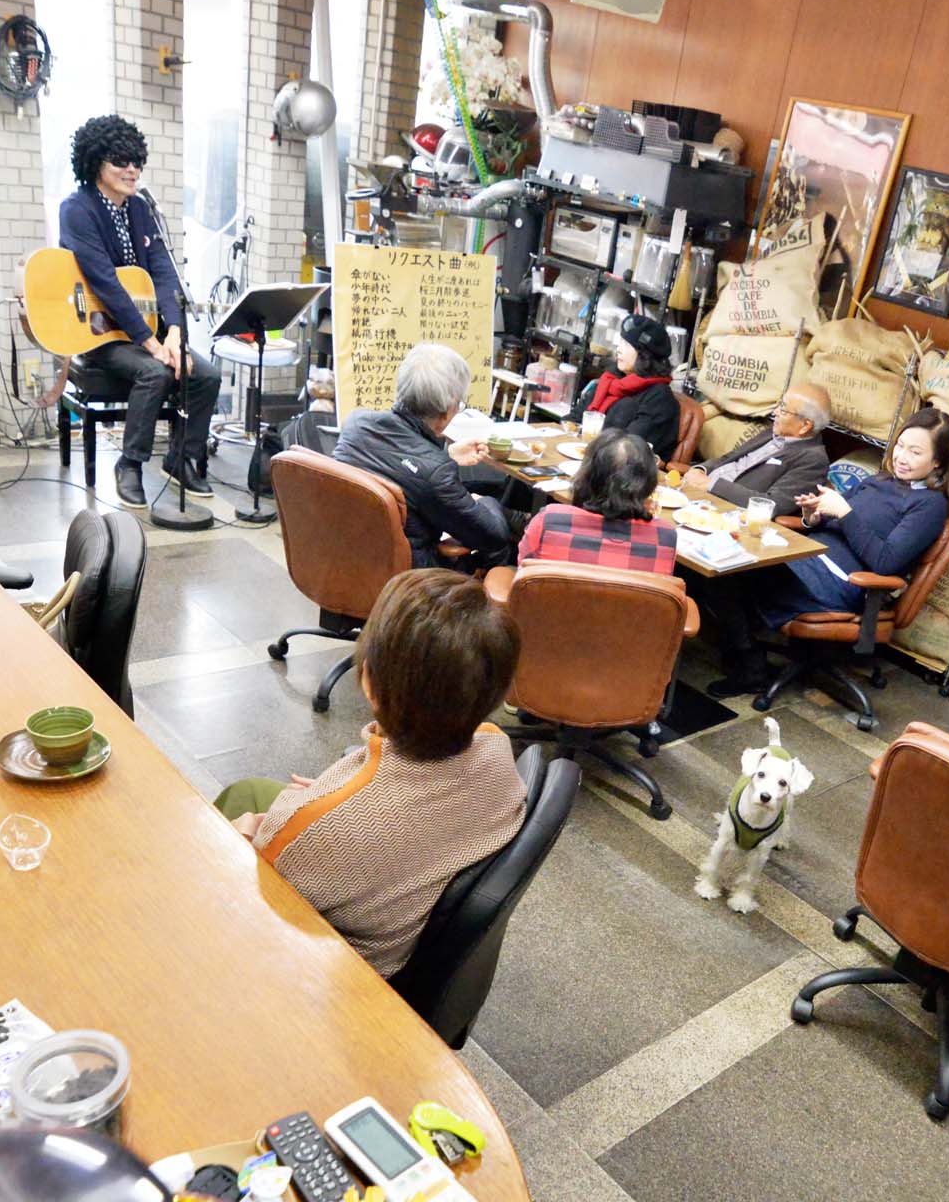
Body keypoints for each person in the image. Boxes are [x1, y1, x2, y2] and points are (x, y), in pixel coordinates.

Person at [211, 570, 526, 977]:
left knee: (235, 812)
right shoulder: (495, 745)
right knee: (254, 789)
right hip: (402, 881)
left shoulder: (314, 831)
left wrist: (242, 837)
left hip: (331, 974)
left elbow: (251, 893)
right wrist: (338, 799)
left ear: (370, 683)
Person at [705, 407, 949, 698]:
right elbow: (834, 517)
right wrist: (812, 516)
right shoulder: (879, 481)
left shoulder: (929, 505)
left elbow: (885, 562)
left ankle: (750, 668)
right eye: (900, 446)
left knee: (731, 570)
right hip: (809, 557)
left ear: (938, 462)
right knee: (725, 555)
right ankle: (740, 651)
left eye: (915, 452)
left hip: (841, 582)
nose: (901, 457)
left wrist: (845, 513)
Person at [59, 114, 222, 508]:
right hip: (99, 331)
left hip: (147, 327)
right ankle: (129, 464)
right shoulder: (77, 210)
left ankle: (181, 459)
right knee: (156, 371)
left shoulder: (140, 209)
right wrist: (151, 344)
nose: (131, 170)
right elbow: (106, 284)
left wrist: (174, 333)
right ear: (95, 163)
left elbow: (164, 273)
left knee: (206, 375)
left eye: (136, 161)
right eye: (120, 161)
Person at [335, 343, 527, 568]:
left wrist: (445, 456)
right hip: (411, 577)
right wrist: (484, 502)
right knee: (500, 547)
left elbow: (402, 464)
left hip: (343, 556)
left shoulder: (356, 424)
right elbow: (493, 535)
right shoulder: (437, 472)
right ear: (447, 411)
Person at [518, 428, 677, 574]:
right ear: (648, 484)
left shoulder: (550, 519)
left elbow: (523, 574)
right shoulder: (665, 537)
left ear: (587, 474)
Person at [681, 382, 832, 508]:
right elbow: (730, 458)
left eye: (784, 410)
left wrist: (710, 484)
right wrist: (701, 470)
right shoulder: (774, 432)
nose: (775, 412)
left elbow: (772, 503)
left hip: (724, 507)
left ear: (805, 425)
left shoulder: (813, 460)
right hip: (699, 489)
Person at [584, 314, 680, 460]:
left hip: (619, 467)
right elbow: (578, 416)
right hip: (590, 455)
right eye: (620, 343)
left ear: (645, 355)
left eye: (626, 345)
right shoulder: (612, 378)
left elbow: (628, 448)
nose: (618, 349)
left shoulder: (659, 397)